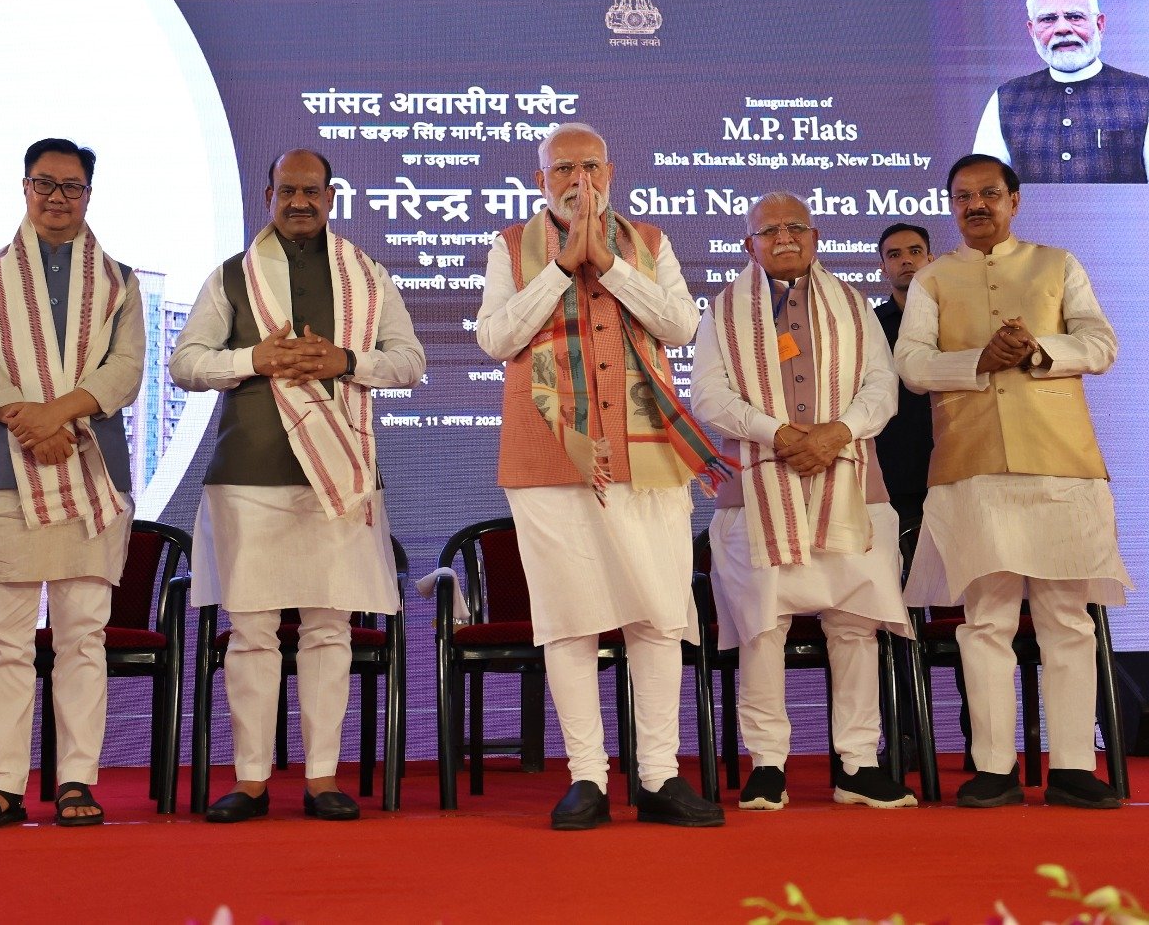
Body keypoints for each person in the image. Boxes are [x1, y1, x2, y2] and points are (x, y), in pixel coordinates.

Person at [477, 122, 725, 830]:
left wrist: (609, 266)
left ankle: (658, 776)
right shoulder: (510, 247)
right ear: (540, 180)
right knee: (569, 620)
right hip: (548, 457)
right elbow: (495, 337)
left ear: (610, 173)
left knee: (658, 614)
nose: (577, 180)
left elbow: (680, 327)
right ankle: (586, 777)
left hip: (648, 456)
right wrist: (562, 267)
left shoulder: (649, 241)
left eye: (589, 166)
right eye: (562, 169)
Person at [170, 149, 424, 823]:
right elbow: (185, 364)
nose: (300, 202)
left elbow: (409, 362)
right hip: (247, 476)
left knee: (329, 630)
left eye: (312, 191)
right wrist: (253, 358)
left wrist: (345, 360)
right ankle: (250, 781)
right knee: (252, 633)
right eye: (288, 191)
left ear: (331, 197)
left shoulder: (367, 277)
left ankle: (322, 779)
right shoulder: (233, 276)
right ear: (269, 196)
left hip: (338, 476)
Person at [895, 153, 1131, 809]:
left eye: (989, 194)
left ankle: (1073, 766)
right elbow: (910, 364)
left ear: (1014, 200)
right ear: (952, 206)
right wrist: (979, 359)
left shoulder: (1058, 264)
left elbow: (1102, 344)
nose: (976, 205)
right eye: (963, 196)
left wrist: (1038, 350)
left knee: (1066, 620)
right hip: (973, 467)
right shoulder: (934, 278)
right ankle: (994, 768)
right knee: (986, 620)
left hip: (1061, 466)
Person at [690, 192, 916, 812]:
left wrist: (837, 433)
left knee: (855, 624)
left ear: (815, 237)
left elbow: (882, 386)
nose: (784, 237)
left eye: (795, 227)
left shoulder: (853, 307)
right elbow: (707, 396)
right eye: (769, 230)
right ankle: (767, 764)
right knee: (762, 627)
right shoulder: (721, 311)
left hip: (852, 482)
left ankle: (858, 763)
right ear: (749, 245)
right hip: (757, 489)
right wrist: (780, 436)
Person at [0, 137, 145, 829]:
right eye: (45, 183)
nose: (57, 197)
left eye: (71, 186)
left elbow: (125, 372)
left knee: (82, 636)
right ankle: (1, 785)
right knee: (3, 637)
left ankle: (76, 781)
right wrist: (29, 423)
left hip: (89, 470)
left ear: (89, 194)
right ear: (25, 187)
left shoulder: (120, 281)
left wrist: (54, 417)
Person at [973, 0, 1149, 183]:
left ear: (1099, 25)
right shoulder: (1007, 97)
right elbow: (985, 186)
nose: (1062, 29)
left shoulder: (1142, 93)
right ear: (1032, 30)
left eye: (1074, 17)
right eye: (1048, 19)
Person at [872, 223, 935, 530]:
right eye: (894, 255)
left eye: (915, 251)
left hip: (959, 460)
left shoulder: (957, 317)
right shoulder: (871, 325)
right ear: (883, 268)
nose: (906, 260)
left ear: (931, 260)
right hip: (896, 467)